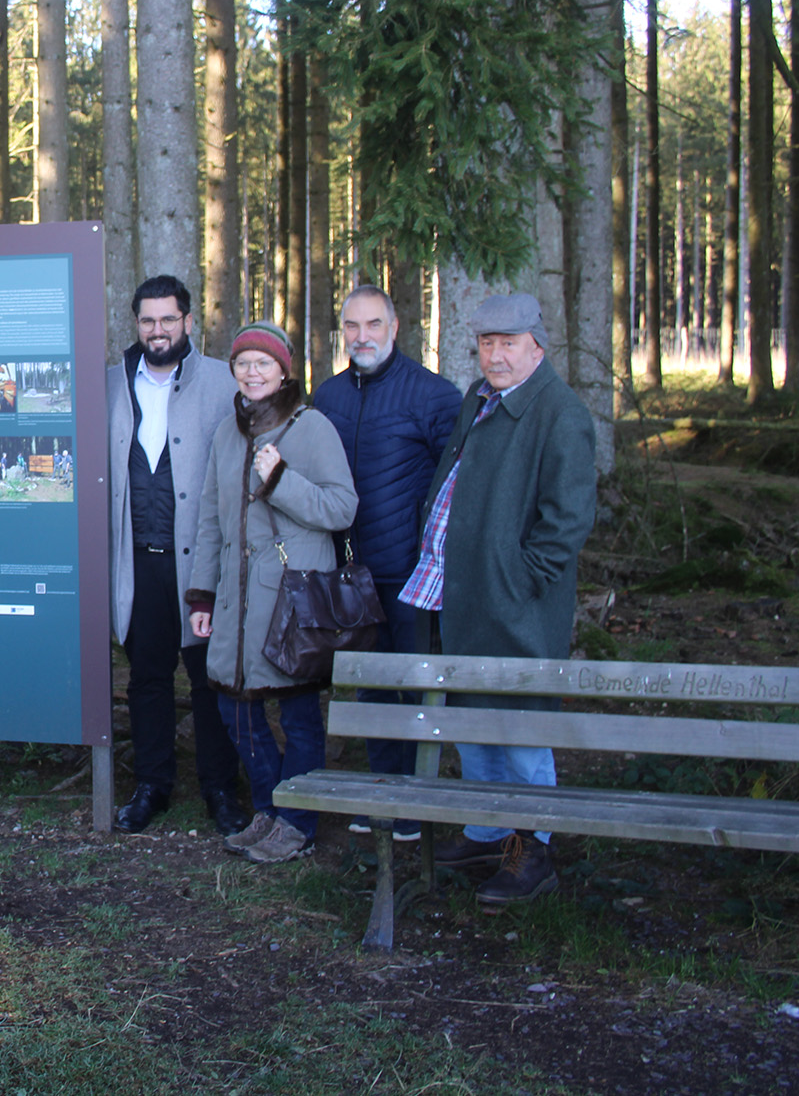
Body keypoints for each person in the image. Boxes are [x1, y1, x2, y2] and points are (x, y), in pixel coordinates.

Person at [398, 293, 597, 908]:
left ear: (538, 345)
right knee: (472, 716)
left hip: (514, 602)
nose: (496, 355)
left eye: (509, 343)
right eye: (486, 343)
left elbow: (566, 522)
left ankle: (531, 848)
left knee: (520, 723)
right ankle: (488, 831)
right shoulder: (479, 399)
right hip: (460, 592)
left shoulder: (560, 414)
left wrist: (520, 579)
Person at [186, 321, 359, 864]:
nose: (252, 371)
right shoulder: (226, 431)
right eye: (243, 362)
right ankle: (268, 807)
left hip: (291, 599)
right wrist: (201, 596)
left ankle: (298, 823)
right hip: (236, 602)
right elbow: (211, 520)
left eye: (264, 363)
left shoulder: (311, 428)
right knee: (235, 706)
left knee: (299, 711)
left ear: (285, 370)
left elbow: (341, 508)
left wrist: (282, 480)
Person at [311, 286, 461, 839]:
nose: (362, 336)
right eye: (352, 326)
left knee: (416, 684)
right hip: (351, 575)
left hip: (412, 574)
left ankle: (417, 800)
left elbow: (457, 483)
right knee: (371, 684)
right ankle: (384, 789)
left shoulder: (433, 396)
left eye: (373, 324)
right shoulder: (328, 396)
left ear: (394, 328)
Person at [105, 275, 249, 836]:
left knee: (210, 675)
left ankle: (220, 787)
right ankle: (152, 784)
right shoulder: (111, 383)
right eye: (147, 320)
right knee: (147, 676)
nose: (157, 330)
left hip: (201, 559)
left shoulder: (220, 382)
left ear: (188, 321)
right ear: (135, 323)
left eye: (168, 319)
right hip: (137, 559)